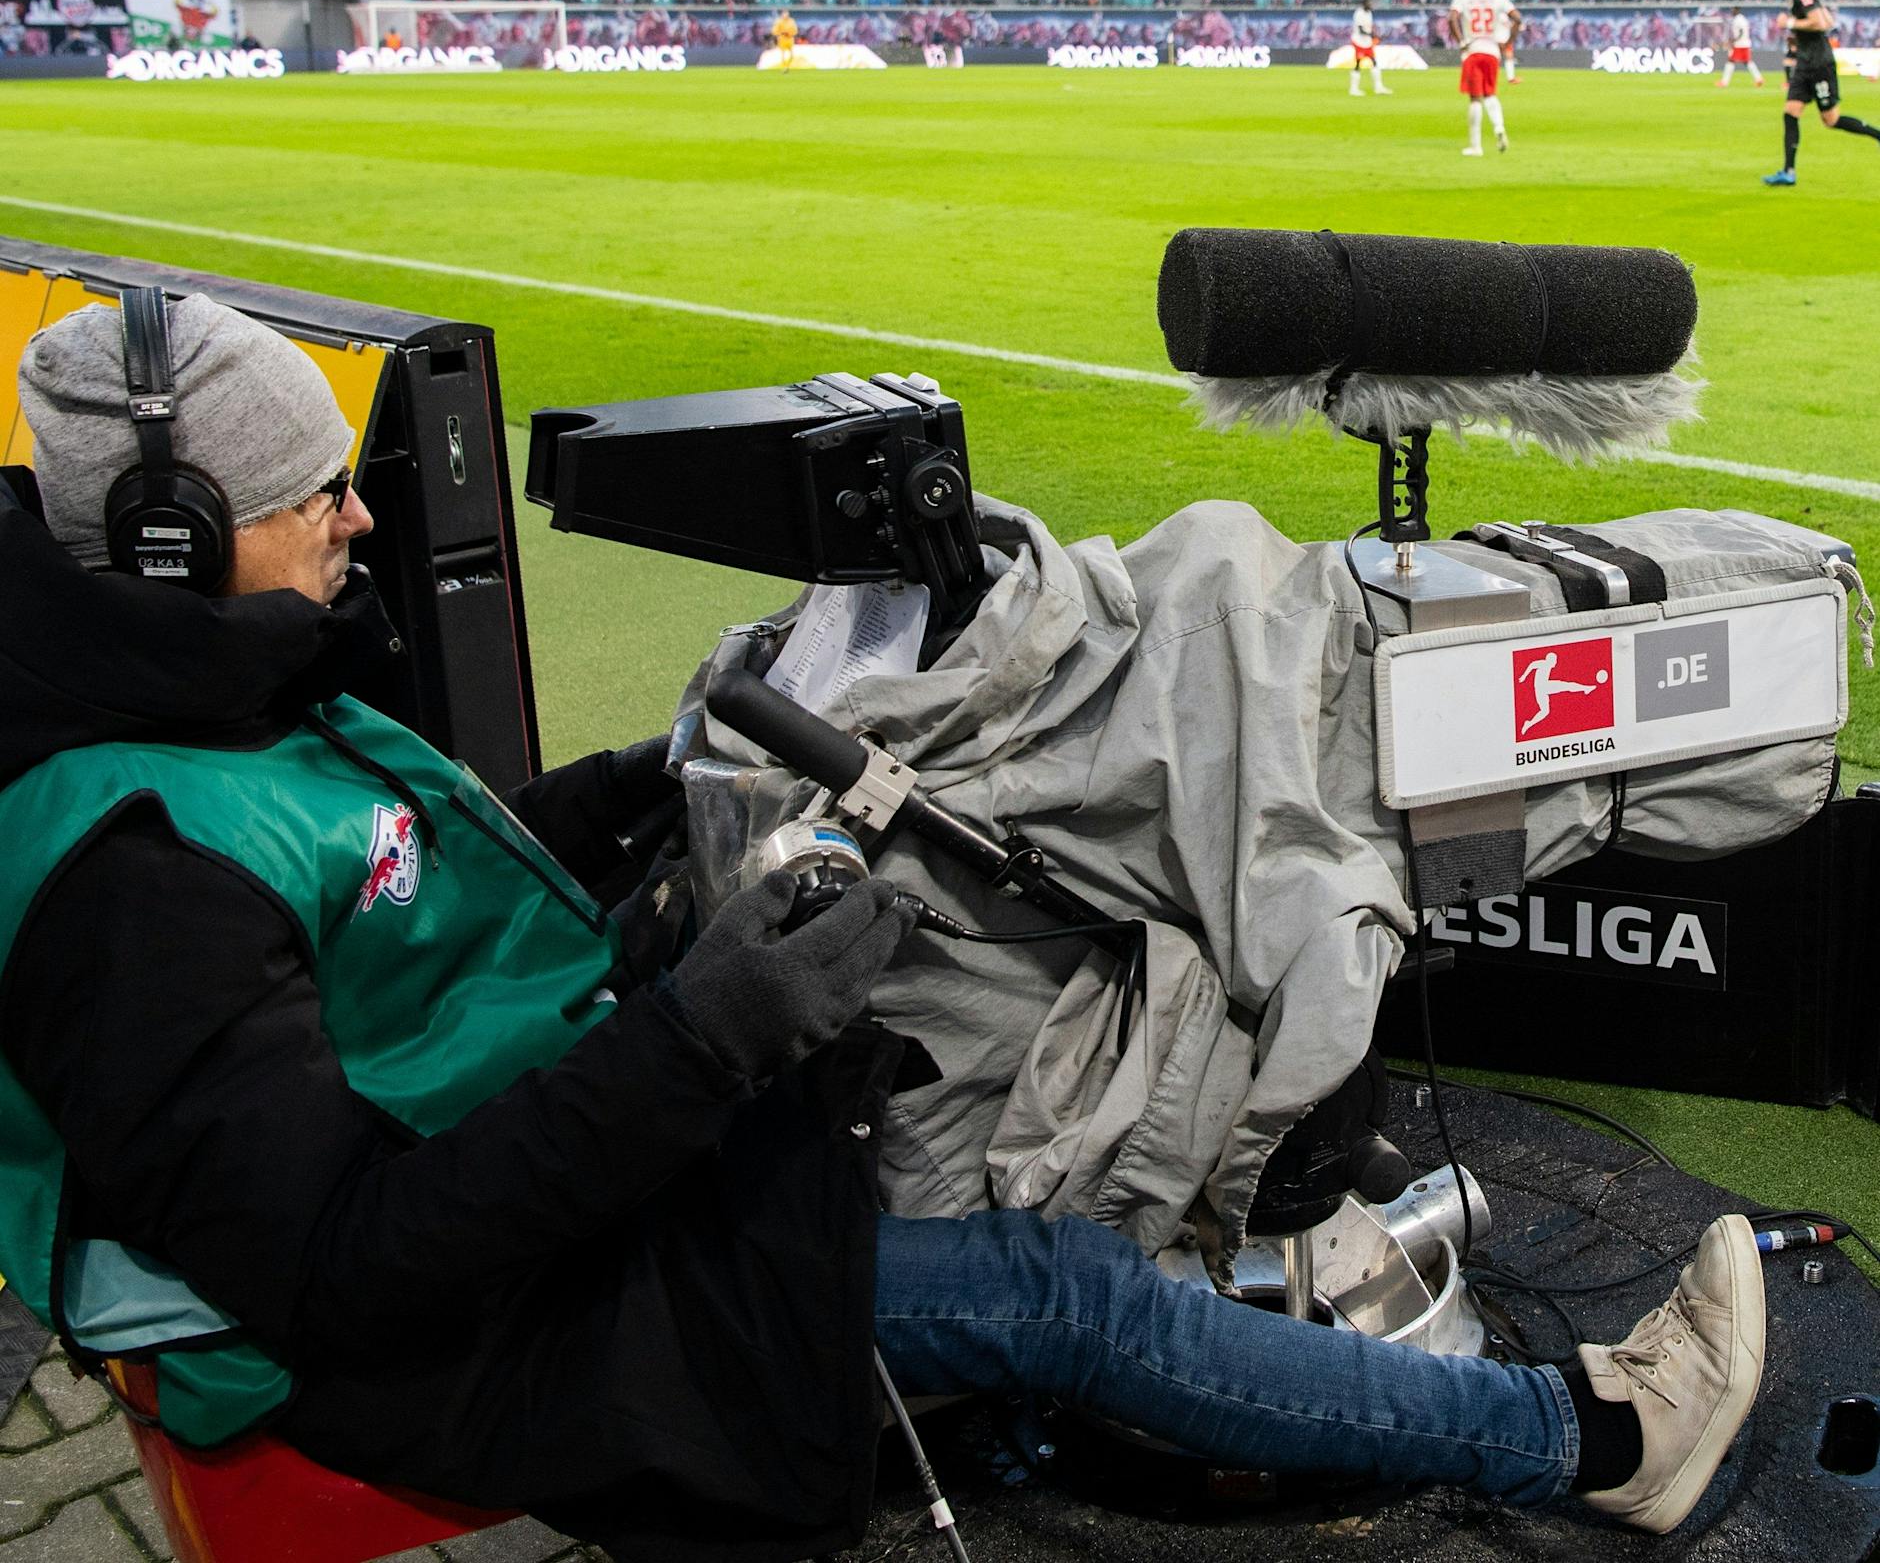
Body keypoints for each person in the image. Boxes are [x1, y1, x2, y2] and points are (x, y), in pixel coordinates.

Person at [0, 295, 1769, 1561]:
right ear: (172, 541)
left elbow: (381, 893)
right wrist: (705, 1035)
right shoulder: (129, 884)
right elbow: (345, 1268)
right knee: (1059, 1297)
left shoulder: (194, 690)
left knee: (921, 1045)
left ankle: (1028, 1363)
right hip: (429, 1339)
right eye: (315, 497)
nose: (360, 514)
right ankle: (1600, 1437)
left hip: (516, 1150)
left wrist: (628, 790)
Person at [1763, 0, 1880, 186]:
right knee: (1790, 112)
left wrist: (1790, 23)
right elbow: (1828, 20)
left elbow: (1818, 22)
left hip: (1818, 64)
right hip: (1805, 63)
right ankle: (1788, 172)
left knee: (1831, 120)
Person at [1448, 0, 1518, 156]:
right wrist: (1508, 43)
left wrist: (1461, 41)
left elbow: (1451, 18)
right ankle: (1499, 128)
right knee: (1490, 94)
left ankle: (1475, 146)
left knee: (1475, 98)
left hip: (1473, 50)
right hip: (1492, 52)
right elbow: (1518, 18)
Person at [1349, 0, 1391, 97]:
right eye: (1369, 3)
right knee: (1358, 64)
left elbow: (1369, 28)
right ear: (1365, 3)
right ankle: (1353, 89)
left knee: (1374, 62)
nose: (1371, 5)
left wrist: (1374, 36)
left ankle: (1378, 87)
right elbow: (1360, 30)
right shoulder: (1359, 13)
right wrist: (1372, 35)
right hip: (1359, 42)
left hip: (1367, 42)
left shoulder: (1369, 13)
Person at [1718, 6, 1763, 89]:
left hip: (1740, 44)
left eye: (1733, 10)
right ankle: (1759, 78)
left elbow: (1741, 32)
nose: (1732, 12)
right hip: (1745, 43)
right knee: (1747, 62)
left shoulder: (1738, 20)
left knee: (1731, 61)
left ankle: (1724, 82)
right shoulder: (1742, 19)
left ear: (1737, 10)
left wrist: (1734, 40)